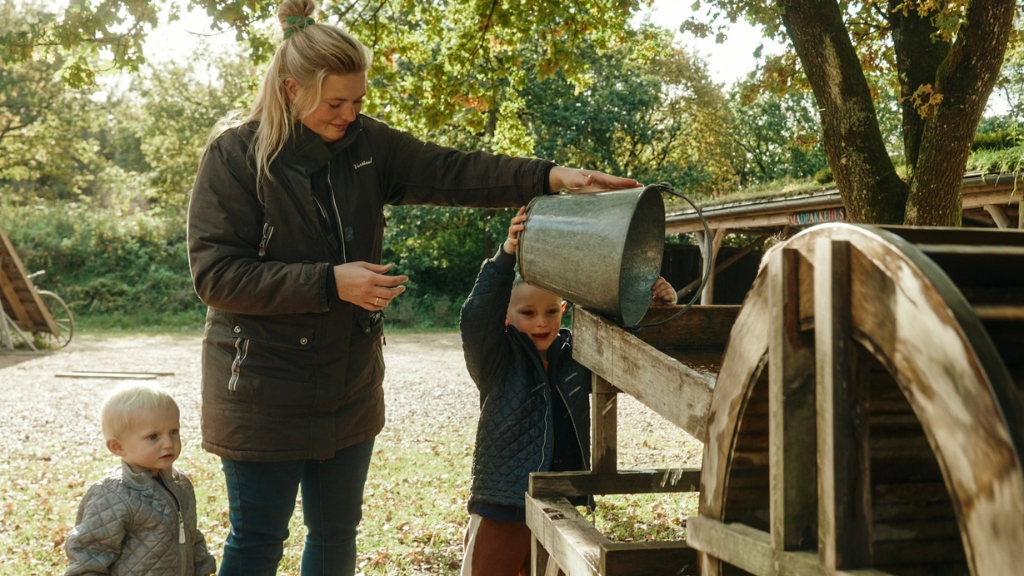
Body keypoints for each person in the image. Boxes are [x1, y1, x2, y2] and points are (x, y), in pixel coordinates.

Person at [185, 0, 640, 573]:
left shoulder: (367, 147)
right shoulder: (234, 156)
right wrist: (331, 283)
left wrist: (549, 176)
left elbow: (455, 171)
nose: (349, 115)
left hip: (348, 385)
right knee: (257, 538)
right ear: (291, 90)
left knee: (334, 534)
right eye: (335, 103)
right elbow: (217, 275)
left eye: (357, 101)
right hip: (258, 387)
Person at [458, 207, 677, 576]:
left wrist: (650, 302)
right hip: (505, 500)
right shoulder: (496, 358)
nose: (541, 321)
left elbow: (625, 347)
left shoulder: (578, 352)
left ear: (564, 309)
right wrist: (506, 256)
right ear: (506, 316)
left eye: (550, 311)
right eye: (527, 313)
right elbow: (475, 315)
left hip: (562, 496)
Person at [64, 383, 216, 576]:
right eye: (153, 437)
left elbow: (190, 535)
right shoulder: (111, 496)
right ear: (117, 447)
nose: (168, 443)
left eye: (174, 432)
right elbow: (89, 556)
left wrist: (203, 567)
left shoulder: (180, 484)